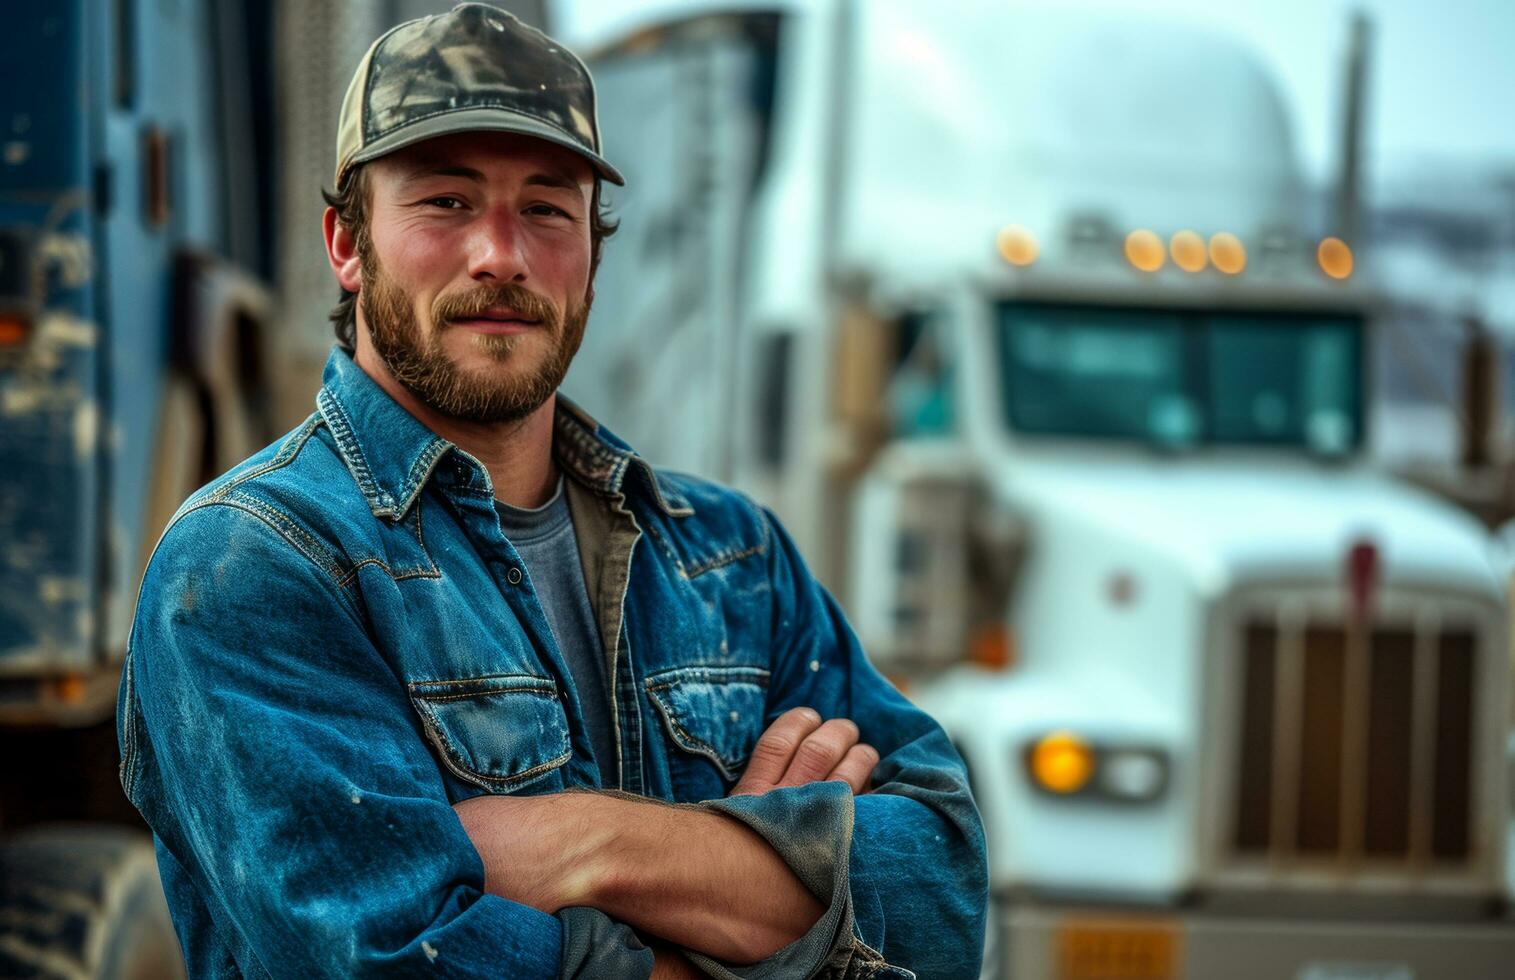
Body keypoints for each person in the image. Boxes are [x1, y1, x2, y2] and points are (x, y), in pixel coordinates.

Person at [118, 5, 986, 977]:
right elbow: (392, 958)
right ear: (347, 243)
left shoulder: (730, 558)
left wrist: (588, 842)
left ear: (592, 251)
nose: (502, 253)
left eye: (545, 207)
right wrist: (752, 891)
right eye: (446, 202)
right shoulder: (254, 565)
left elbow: (942, 893)